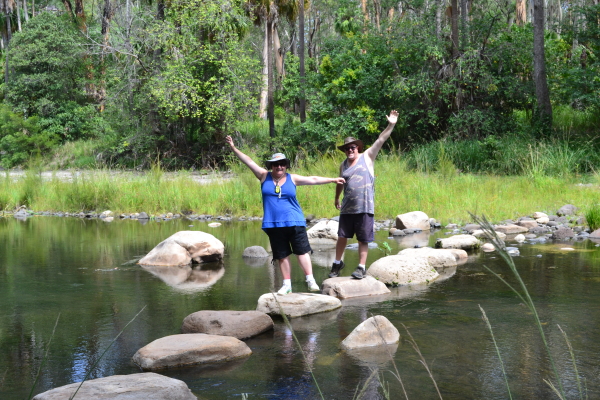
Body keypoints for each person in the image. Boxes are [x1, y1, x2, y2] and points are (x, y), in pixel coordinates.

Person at [225, 135, 345, 295]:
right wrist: (233, 148)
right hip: (273, 223)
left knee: (302, 251)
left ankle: (310, 280)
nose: (279, 167)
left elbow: (313, 179)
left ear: (286, 166)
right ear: (271, 166)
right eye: (276, 164)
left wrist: (332, 180)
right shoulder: (263, 176)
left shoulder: (292, 178)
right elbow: (248, 161)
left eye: (282, 164)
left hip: (294, 221)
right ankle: (286, 284)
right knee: (281, 255)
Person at [329, 110, 399, 279]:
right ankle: (337, 263)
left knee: (363, 239)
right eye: (346, 149)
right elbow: (340, 182)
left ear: (358, 147)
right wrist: (337, 197)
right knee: (342, 237)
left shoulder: (367, 156)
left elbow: (381, 139)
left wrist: (391, 124)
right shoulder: (343, 165)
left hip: (365, 207)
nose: (349, 150)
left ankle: (361, 267)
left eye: (352, 147)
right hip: (347, 209)